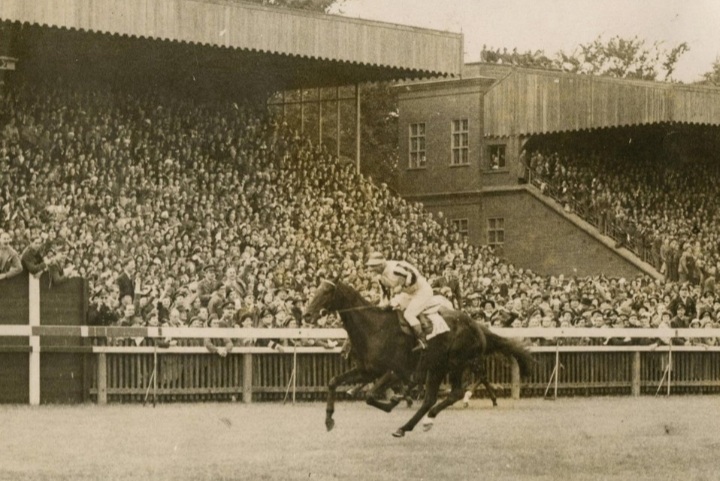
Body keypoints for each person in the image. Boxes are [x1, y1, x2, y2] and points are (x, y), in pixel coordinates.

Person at [365, 251, 433, 350]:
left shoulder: (395, 268)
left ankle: (422, 341)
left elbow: (413, 275)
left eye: (374, 266)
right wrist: (383, 304)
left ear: (381, 264)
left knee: (409, 314)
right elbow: (385, 293)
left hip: (422, 291)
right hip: (408, 293)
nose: (372, 269)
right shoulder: (380, 277)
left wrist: (401, 286)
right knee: (390, 307)